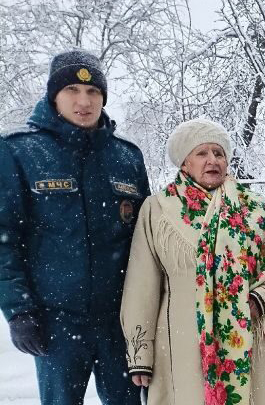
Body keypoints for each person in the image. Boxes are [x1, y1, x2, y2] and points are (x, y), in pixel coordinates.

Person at [119, 117, 265, 405]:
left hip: (247, 336)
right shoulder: (158, 209)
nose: (212, 160)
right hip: (182, 340)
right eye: (202, 153)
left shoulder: (255, 209)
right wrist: (140, 354)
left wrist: (260, 298)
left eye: (218, 153)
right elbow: (142, 283)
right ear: (184, 163)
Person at [0, 50, 148, 404]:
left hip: (120, 322)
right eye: (71, 90)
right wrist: (19, 311)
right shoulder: (20, 152)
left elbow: (146, 240)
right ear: (54, 95)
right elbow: (5, 239)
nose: (84, 101)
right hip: (56, 323)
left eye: (93, 92)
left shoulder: (127, 157)